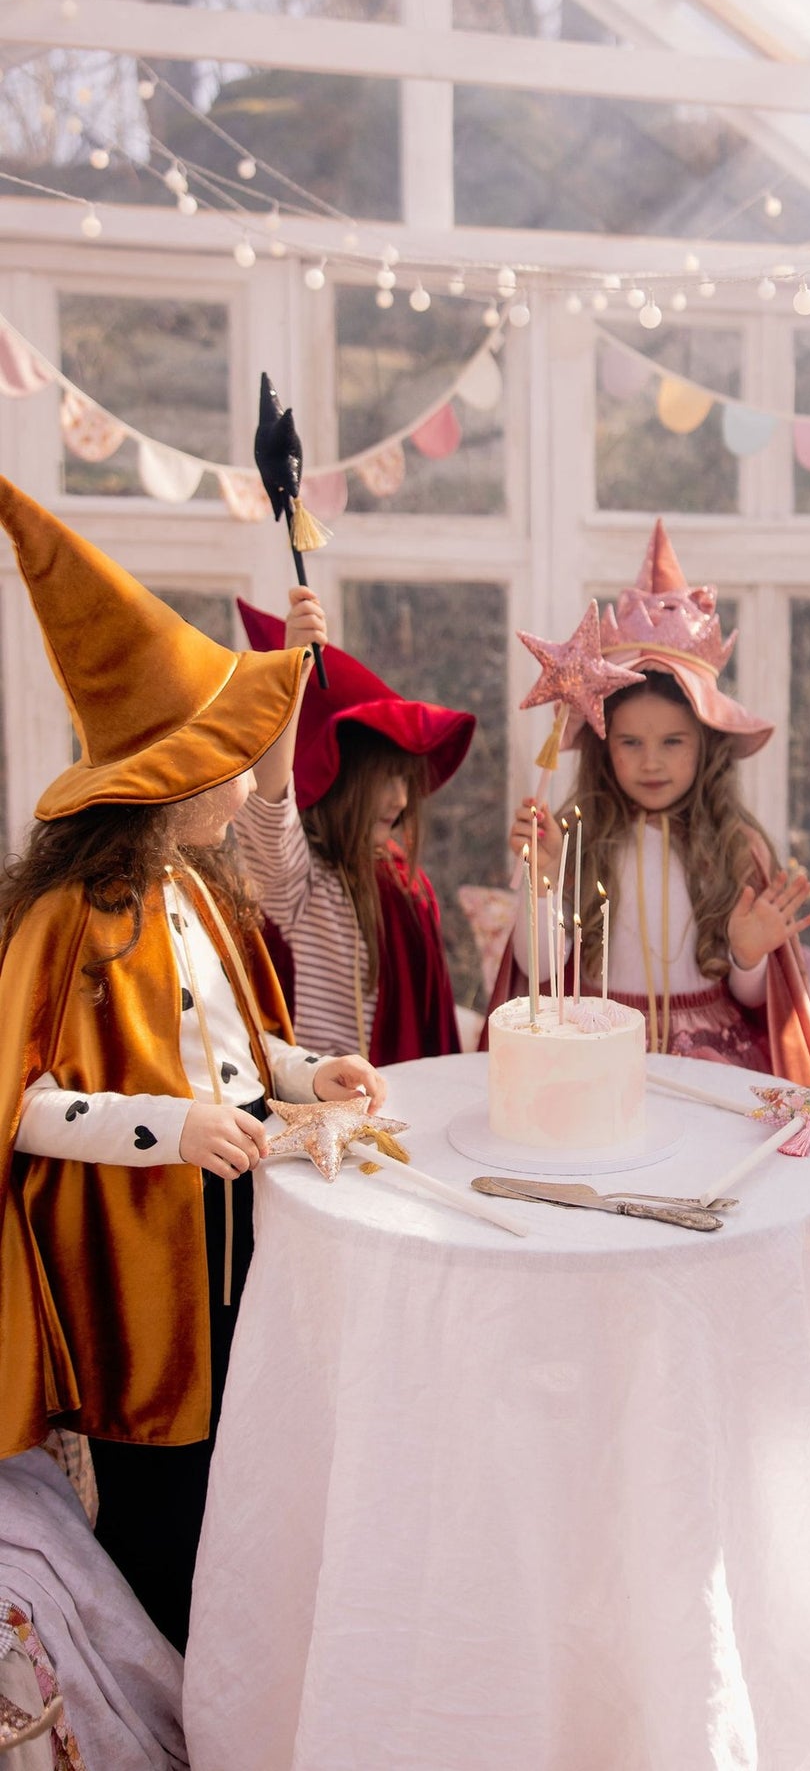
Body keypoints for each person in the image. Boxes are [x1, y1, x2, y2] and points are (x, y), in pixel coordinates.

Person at [0, 477, 386, 1652]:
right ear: (165, 781)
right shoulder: (65, 916)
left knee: (238, 1459)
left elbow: (235, 1043)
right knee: (158, 1496)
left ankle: (230, 1660)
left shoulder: (198, 891)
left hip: (233, 1238)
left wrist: (309, 1069)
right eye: (231, 763)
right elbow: (23, 1103)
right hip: (133, 1258)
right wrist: (168, 1130)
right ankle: (153, 1675)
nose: (250, 782)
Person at [489, 520, 810, 1085]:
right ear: (604, 748)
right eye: (631, 742)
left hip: (709, 1061)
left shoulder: (735, 846)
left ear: (707, 747)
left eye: (673, 742)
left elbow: (755, 998)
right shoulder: (574, 838)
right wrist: (544, 881)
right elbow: (541, 971)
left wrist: (748, 956)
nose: (652, 762)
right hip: (595, 1053)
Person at [234, 591, 475, 1064]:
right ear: (336, 778)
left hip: (393, 1102)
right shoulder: (298, 883)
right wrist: (290, 678)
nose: (402, 800)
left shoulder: (405, 883)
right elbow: (267, 805)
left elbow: (427, 1020)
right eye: (384, 781)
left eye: (406, 781)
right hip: (313, 1110)